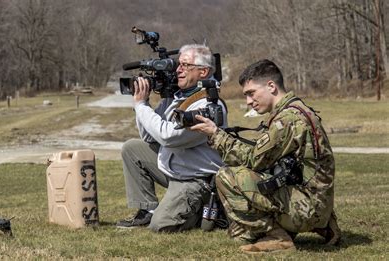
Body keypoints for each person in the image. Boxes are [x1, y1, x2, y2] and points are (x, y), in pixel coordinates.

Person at [190, 59, 341, 253]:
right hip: (318, 203)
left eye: (251, 93)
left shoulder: (287, 120)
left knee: (227, 176)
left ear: (271, 86)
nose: (249, 102)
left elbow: (254, 160)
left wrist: (215, 134)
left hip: (308, 208)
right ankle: (324, 226)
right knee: (240, 231)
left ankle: (278, 238)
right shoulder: (298, 109)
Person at [116, 44, 228, 232]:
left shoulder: (209, 104)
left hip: (196, 179)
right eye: (178, 65)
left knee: (161, 226)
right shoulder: (178, 98)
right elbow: (148, 136)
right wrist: (145, 103)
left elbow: (169, 137)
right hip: (175, 169)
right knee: (132, 148)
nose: (178, 70)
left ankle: (207, 209)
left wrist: (141, 106)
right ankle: (146, 211)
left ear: (203, 72)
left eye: (185, 65)